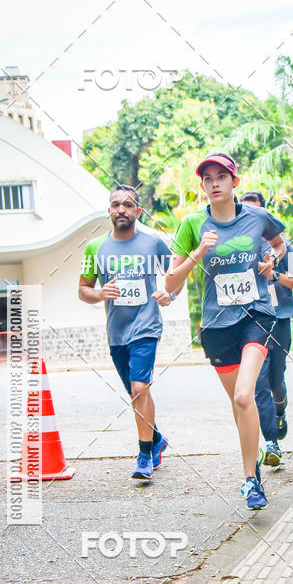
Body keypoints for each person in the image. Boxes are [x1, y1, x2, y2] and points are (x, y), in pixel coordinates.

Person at [166, 154, 286, 509]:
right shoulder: (191, 224)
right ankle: (254, 464)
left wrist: (272, 261)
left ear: (235, 181)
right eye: (207, 179)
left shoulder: (257, 217)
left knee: (244, 397)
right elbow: (171, 281)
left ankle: (250, 481)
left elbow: (278, 242)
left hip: (257, 316)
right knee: (239, 406)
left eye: (222, 176)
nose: (214, 183)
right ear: (202, 186)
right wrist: (198, 251)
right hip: (217, 326)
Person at [78, 185, 177, 480]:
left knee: (139, 389)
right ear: (109, 210)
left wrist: (169, 294)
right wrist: (99, 294)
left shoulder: (153, 244)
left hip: (146, 326)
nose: (122, 209)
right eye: (116, 204)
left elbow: (176, 274)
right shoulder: (94, 248)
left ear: (137, 211)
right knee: (136, 395)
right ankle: (157, 439)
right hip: (117, 334)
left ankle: (144, 456)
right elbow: (83, 289)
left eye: (128, 204)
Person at [240, 191, 293, 467]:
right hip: (252, 320)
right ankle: (271, 443)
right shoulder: (239, 246)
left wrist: (274, 275)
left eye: (256, 213)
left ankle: (280, 408)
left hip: (279, 320)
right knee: (256, 383)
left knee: (275, 382)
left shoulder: (285, 248)